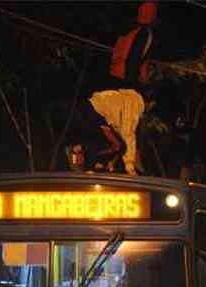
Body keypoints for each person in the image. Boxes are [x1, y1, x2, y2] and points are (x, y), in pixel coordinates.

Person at [80, 2, 158, 176]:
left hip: (97, 103)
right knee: (121, 141)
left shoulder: (129, 31)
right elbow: (129, 133)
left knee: (117, 143)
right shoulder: (134, 101)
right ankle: (106, 164)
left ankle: (100, 165)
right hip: (116, 88)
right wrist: (130, 168)